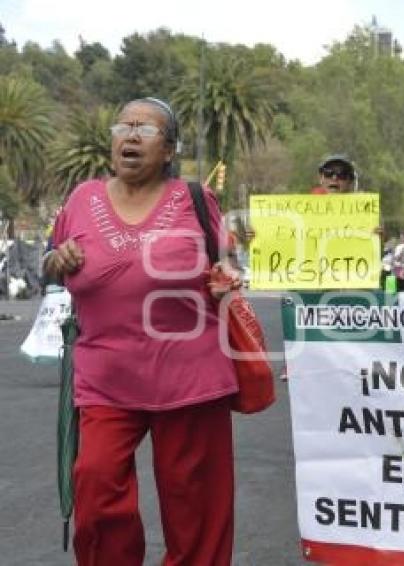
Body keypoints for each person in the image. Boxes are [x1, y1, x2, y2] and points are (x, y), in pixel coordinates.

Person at [43, 97, 241, 565]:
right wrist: (58, 260)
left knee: (197, 509)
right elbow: (50, 265)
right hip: (105, 378)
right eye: (123, 126)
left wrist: (226, 278)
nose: (131, 135)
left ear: (169, 149)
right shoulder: (81, 199)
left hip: (191, 378)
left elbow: (225, 265)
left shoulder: (196, 199)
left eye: (146, 129)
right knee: (94, 487)